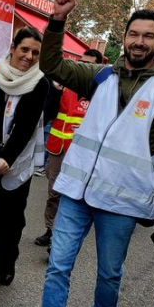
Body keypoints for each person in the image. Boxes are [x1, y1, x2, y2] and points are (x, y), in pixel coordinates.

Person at [11, 0, 154, 307]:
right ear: (124, 37)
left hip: (121, 201)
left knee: (109, 273)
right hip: (76, 193)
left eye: (148, 36)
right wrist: (57, 22)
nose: (139, 42)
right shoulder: (100, 76)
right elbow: (51, 63)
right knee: (58, 265)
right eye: (134, 34)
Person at [0, 27, 52, 285]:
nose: (29, 56)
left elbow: (25, 127)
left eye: (35, 52)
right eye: (24, 49)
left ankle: (5, 264)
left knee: (9, 220)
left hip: (15, 160)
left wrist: (6, 158)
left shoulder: (40, 83)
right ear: (12, 48)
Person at [34, 48, 102, 249]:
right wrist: (55, 89)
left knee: (72, 196)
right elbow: (49, 111)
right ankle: (50, 230)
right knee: (54, 192)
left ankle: (61, 239)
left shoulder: (101, 94)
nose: (83, 67)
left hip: (83, 155)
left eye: (89, 64)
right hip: (57, 148)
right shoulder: (65, 87)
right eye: (81, 62)